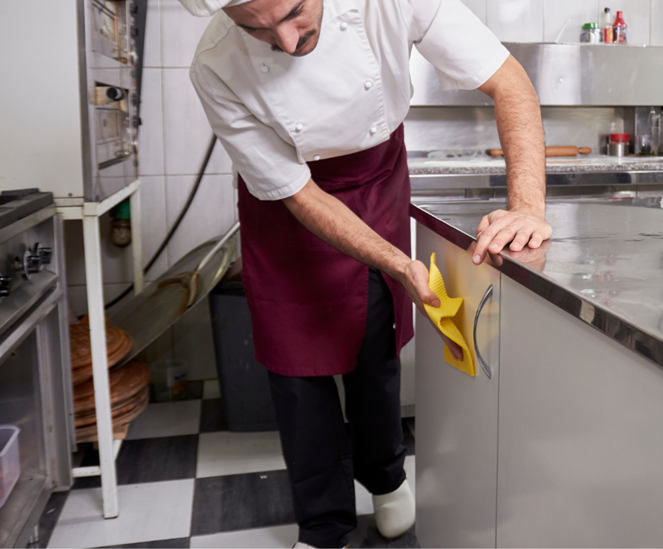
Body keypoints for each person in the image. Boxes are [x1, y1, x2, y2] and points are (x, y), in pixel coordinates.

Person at [177, 0, 552, 546]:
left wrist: (527, 207)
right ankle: (322, 521)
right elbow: (297, 192)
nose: (285, 41)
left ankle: (386, 478)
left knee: (375, 343)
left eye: (296, 12)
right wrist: (400, 262)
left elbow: (509, 82)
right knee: (294, 368)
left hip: (375, 181)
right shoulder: (214, 65)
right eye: (254, 27)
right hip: (287, 204)